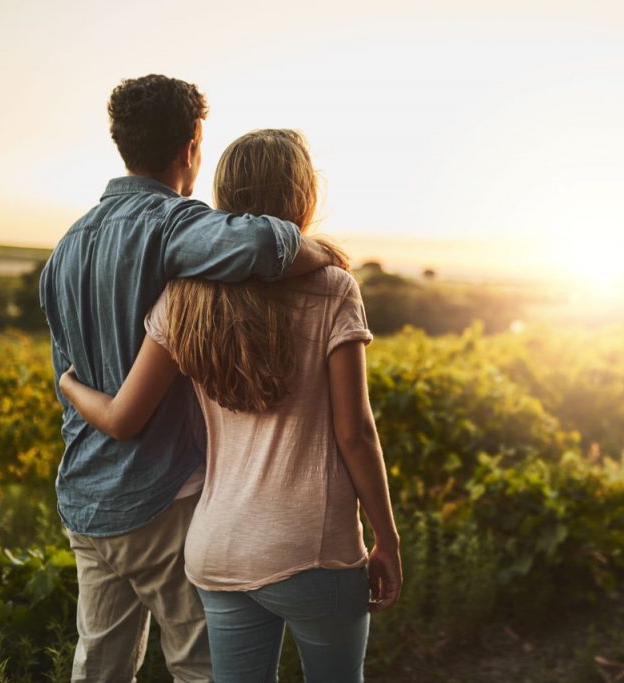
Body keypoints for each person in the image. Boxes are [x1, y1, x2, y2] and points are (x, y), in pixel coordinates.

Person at [58, 129, 402, 683]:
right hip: (313, 549)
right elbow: (356, 433)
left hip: (216, 551)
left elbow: (124, 416)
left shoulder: (185, 298)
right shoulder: (333, 288)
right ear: (302, 194)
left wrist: (69, 385)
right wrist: (387, 538)